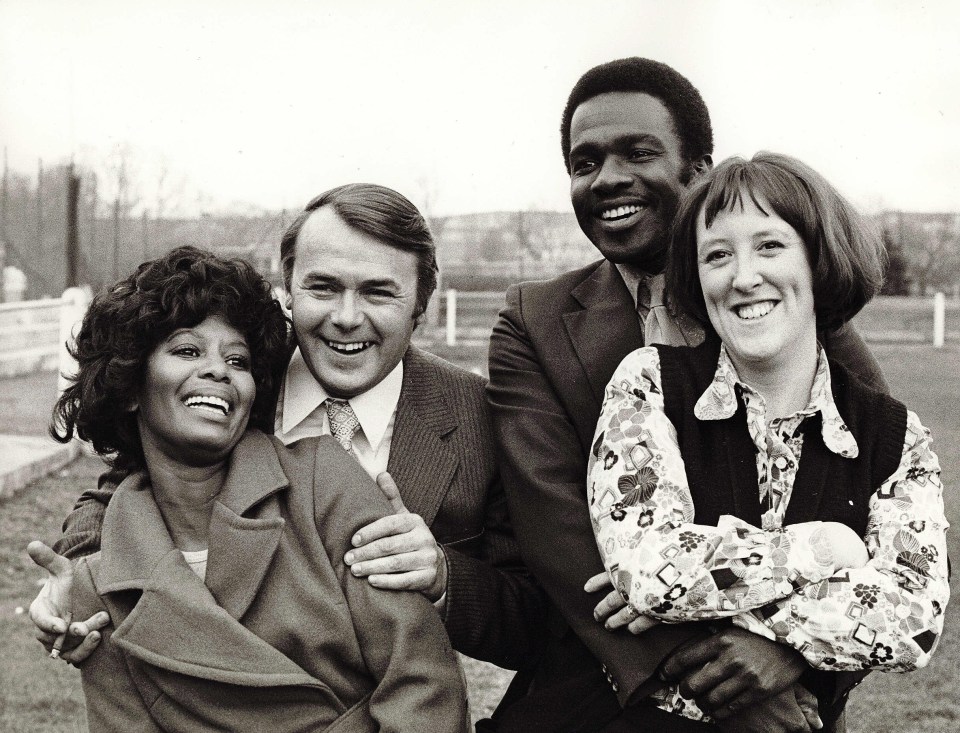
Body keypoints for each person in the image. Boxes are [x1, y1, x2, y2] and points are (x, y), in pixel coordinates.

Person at [487, 58, 888, 732]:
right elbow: (558, 530)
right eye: (584, 163)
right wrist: (717, 685)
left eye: (637, 152)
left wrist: (791, 650)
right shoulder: (533, 321)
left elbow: (877, 495)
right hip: (603, 695)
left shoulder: (790, 302)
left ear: (699, 166)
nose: (607, 177)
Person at [32, 184, 546, 676]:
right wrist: (76, 579)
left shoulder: (479, 415)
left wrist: (442, 576)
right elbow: (118, 492)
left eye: (378, 292)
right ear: (289, 288)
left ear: (420, 305)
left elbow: (534, 619)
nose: (347, 318)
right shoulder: (235, 383)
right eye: (323, 287)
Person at [33, 246, 468, 731]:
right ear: (131, 384)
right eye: (187, 350)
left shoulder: (326, 482)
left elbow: (421, 682)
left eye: (237, 360)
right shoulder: (99, 582)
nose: (219, 370)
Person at [587, 152, 949, 728]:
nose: (743, 276)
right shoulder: (648, 383)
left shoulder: (896, 437)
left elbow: (913, 620)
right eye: (718, 255)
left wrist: (750, 634)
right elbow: (653, 574)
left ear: (819, 260)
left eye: (770, 246)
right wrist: (831, 549)